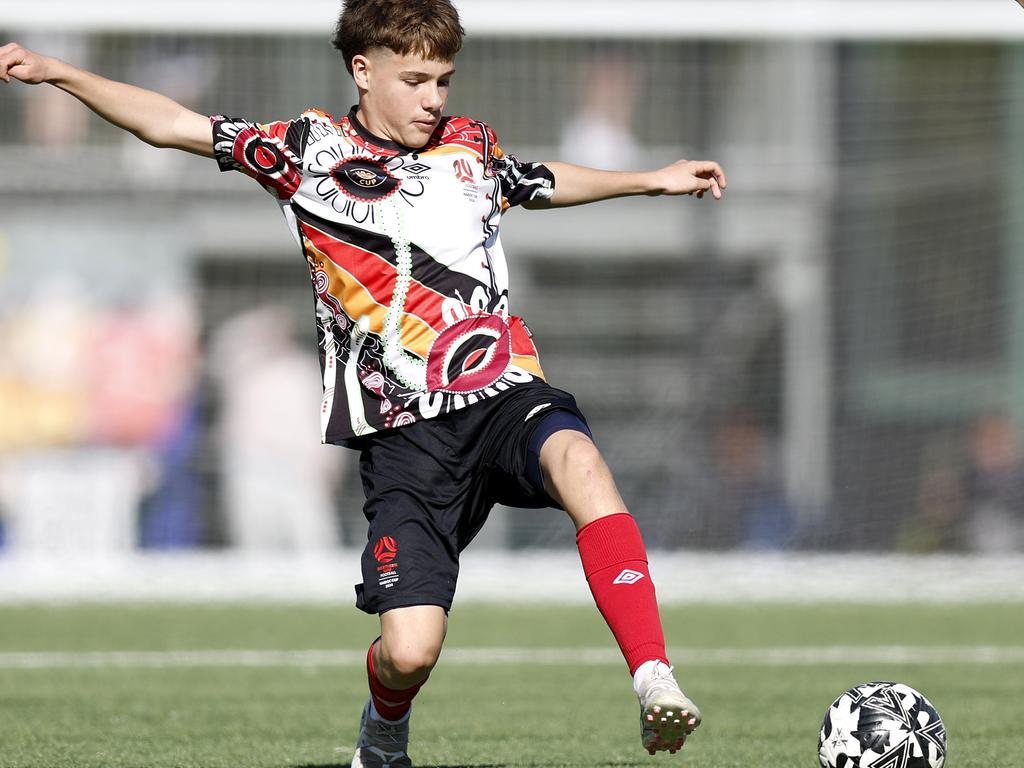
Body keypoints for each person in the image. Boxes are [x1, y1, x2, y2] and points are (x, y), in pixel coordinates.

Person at [1, 2, 726, 763]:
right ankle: (383, 729)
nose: (433, 98)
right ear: (363, 70)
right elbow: (172, 124)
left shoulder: (469, 145)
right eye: (415, 80)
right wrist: (59, 72)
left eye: (443, 80)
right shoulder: (306, 151)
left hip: (500, 391)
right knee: (409, 652)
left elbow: (539, 180)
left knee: (580, 460)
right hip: (404, 436)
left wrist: (654, 178)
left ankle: (653, 677)